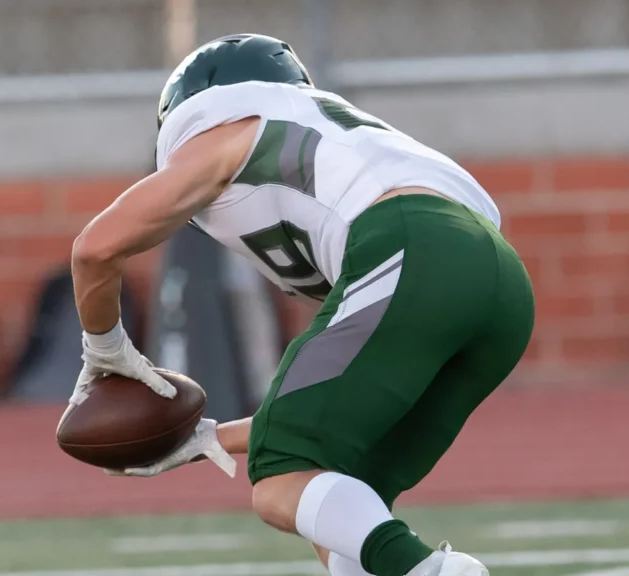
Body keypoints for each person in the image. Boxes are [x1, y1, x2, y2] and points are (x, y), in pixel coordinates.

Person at [61, 33, 534, 576]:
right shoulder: (332, 132)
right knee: (333, 491)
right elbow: (326, 400)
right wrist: (206, 438)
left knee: (280, 482)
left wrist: (106, 350)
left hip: (410, 245)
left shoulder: (224, 125)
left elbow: (95, 249)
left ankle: (433, 573)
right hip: (499, 284)